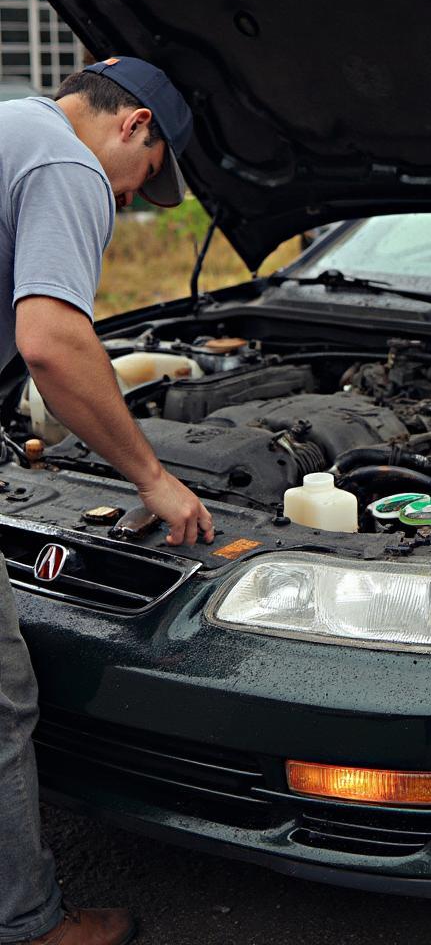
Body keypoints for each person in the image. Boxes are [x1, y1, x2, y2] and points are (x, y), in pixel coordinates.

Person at [0, 58, 214, 945]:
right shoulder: (67, 163)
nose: (129, 201)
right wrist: (152, 476)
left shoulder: (11, 124)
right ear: (134, 129)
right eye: (144, 183)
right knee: (0, 696)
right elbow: (51, 340)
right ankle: (29, 924)